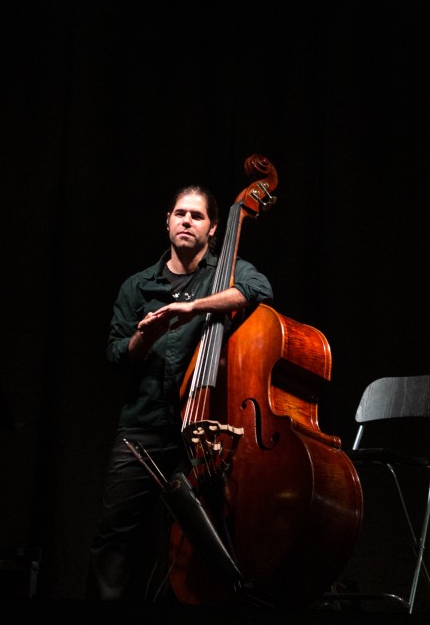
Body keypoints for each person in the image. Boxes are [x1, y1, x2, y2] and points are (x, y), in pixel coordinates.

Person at [86, 183, 274, 603]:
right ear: (167, 222)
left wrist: (192, 307)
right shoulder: (136, 287)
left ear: (212, 230)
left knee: (211, 540)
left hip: (204, 431)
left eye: (197, 216)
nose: (186, 220)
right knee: (115, 535)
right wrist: (143, 339)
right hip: (143, 428)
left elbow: (259, 291)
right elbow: (116, 355)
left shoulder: (226, 274)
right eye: (179, 214)